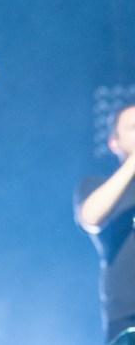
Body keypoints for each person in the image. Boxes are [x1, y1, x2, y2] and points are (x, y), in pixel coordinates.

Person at [75, 102, 135, 343]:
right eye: (134, 127)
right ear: (114, 142)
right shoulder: (96, 185)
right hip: (129, 319)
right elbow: (90, 217)